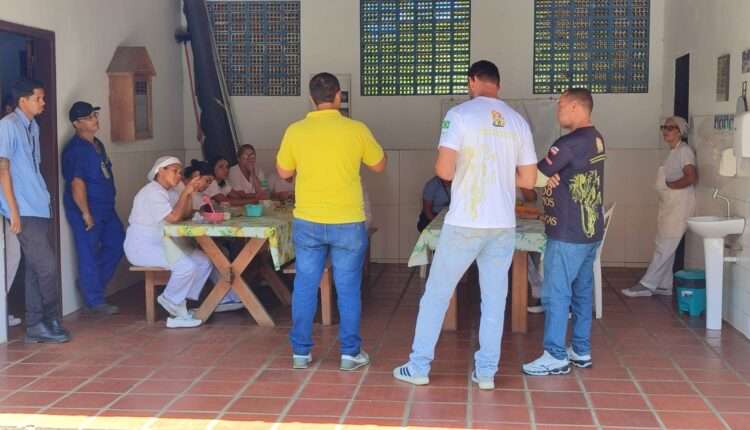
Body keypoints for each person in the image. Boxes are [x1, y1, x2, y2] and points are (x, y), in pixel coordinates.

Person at [393, 60, 538, 390]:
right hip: (502, 224)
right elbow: (529, 180)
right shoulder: (518, 122)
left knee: (437, 294)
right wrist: (500, 172)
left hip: (465, 221)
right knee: (494, 299)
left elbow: (444, 171)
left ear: (472, 81)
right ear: (498, 84)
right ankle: (486, 373)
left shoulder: (458, 115)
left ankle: (419, 366)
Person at [276, 72, 386, 371]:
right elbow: (379, 165)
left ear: (311, 99)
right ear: (338, 96)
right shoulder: (356, 129)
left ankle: (300, 353)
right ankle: (350, 354)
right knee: (348, 288)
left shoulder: (295, 131)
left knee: (305, 285)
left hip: (308, 220)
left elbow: (284, 173)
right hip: (348, 221)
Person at [522, 88, 605, 376]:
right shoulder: (596, 138)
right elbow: (559, 175)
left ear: (575, 107)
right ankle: (581, 350)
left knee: (556, 294)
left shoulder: (568, 143)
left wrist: (541, 177)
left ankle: (555, 355)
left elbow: (532, 178)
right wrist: (551, 177)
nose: (558, 111)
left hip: (567, 231)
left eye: (561, 105)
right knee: (581, 293)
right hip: (589, 231)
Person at [0, 79, 70, 342]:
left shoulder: (33, 127)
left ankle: (35, 324)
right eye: (38, 98)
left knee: (33, 267)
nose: (43, 103)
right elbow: (3, 170)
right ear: (23, 101)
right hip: (24, 209)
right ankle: (50, 318)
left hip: (39, 205)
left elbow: (33, 167)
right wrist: (13, 211)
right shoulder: (8, 125)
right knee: (47, 267)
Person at [123, 156, 211, 328]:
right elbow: (173, 218)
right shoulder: (152, 192)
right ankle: (171, 301)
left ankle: (179, 304)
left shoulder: (170, 192)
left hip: (164, 243)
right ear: (160, 171)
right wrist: (185, 192)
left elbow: (185, 214)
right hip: (143, 246)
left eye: (180, 172)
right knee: (186, 267)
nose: (178, 175)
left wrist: (188, 192)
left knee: (203, 261)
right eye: (174, 171)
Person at [621, 116, 696, 298]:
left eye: (670, 128)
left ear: (680, 131)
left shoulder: (685, 151)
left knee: (665, 246)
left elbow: (691, 177)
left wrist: (671, 186)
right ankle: (664, 285)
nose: (665, 131)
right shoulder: (673, 152)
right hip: (670, 205)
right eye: (664, 127)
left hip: (679, 206)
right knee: (663, 244)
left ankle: (646, 284)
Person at [62, 101, 125, 315]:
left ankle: (90, 284)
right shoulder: (76, 150)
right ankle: (94, 300)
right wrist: (86, 213)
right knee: (87, 251)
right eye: (88, 118)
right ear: (76, 124)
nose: (94, 120)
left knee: (117, 242)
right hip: (88, 208)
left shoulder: (97, 144)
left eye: (94, 115)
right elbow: (77, 184)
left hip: (106, 207)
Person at [0, 96, 21, 327]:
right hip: (6, 205)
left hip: (7, 206)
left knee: (13, 254)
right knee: (12, 254)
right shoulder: (6, 128)